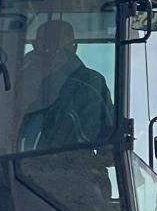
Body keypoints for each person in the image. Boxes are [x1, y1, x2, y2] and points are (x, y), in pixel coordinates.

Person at [15, 19, 114, 152]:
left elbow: (107, 143)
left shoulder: (90, 83)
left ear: (74, 48)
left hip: (72, 169)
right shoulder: (18, 78)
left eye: (56, 47)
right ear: (35, 46)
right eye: (43, 45)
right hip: (11, 167)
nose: (49, 53)